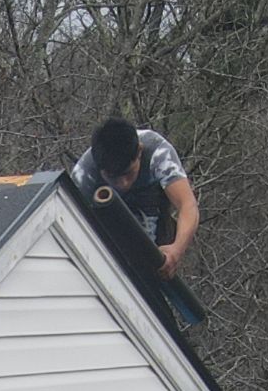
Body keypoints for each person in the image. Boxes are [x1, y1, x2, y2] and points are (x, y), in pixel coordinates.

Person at [74, 116, 200, 278]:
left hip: (156, 227)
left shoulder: (158, 152)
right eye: (114, 177)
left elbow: (187, 205)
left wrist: (176, 249)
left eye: (128, 173)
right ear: (100, 170)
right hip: (110, 235)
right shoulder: (84, 174)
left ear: (140, 151)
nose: (123, 183)